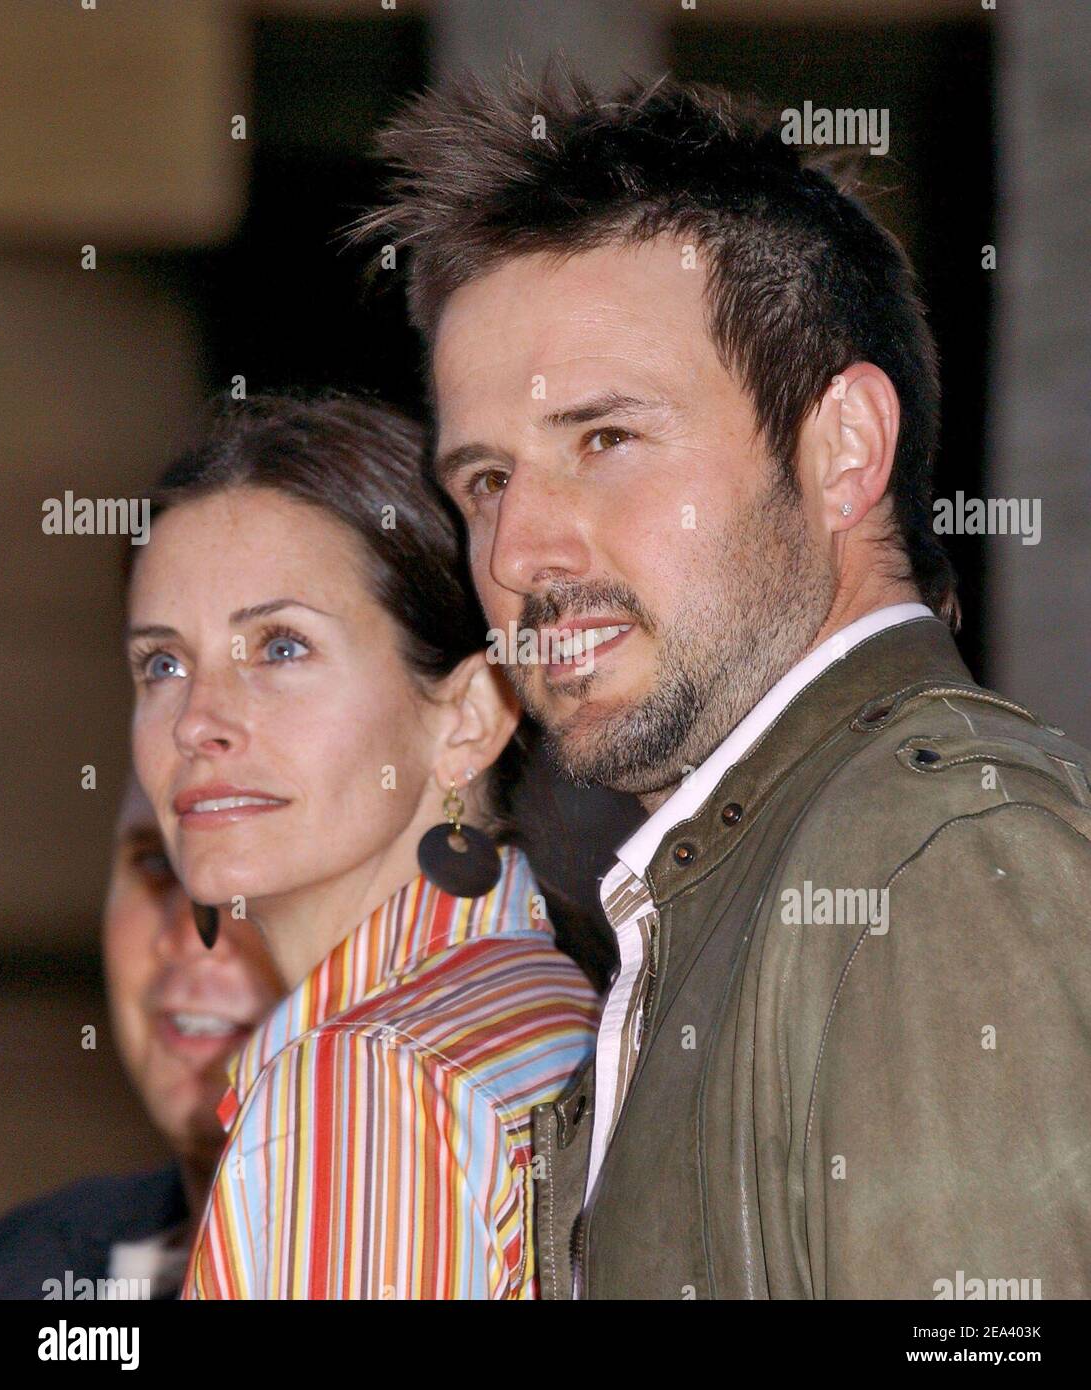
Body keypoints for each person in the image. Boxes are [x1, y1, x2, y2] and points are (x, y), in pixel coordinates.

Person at [353, 67, 1091, 1298]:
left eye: (605, 439)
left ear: (841, 447)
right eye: (484, 479)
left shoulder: (937, 865)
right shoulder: (746, 879)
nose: (518, 550)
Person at [126, 391, 599, 1299]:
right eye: (163, 663)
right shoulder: (536, 992)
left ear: (467, 717)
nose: (196, 724)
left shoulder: (366, 1084)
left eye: (281, 648)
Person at [0, 776, 283, 1300]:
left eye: (260, 875)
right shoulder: (25, 1264)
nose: (193, 937)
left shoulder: (466, 1264)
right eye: (156, 865)